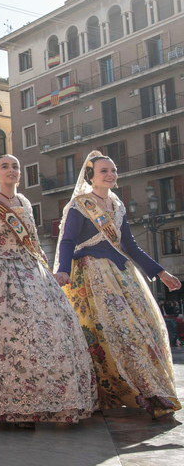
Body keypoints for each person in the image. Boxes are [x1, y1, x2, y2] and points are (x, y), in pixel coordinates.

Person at [0, 155, 95, 427]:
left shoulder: (26, 203)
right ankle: (13, 404)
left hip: (31, 269)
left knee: (47, 330)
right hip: (0, 274)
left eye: (15, 166)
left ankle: (48, 398)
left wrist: (48, 274)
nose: (11, 170)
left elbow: (35, 242)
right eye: (4, 166)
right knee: (11, 336)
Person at [55, 151, 181, 418]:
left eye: (113, 170)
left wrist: (160, 273)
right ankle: (112, 392)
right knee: (108, 334)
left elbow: (131, 246)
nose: (110, 174)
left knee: (144, 330)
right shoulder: (80, 205)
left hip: (122, 273)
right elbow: (67, 241)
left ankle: (151, 389)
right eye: (104, 171)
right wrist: (63, 271)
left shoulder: (118, 205)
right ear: (91, 176)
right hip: (92, 274)